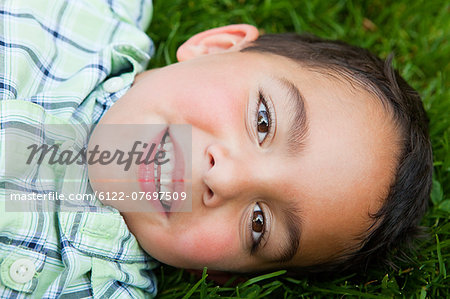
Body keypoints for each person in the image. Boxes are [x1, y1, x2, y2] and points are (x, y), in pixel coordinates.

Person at [0, 0, 432, 298]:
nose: (224, 178)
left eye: (259, 224)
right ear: (217, 46)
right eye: (263, 122)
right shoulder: (91, 12)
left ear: (221, 273)